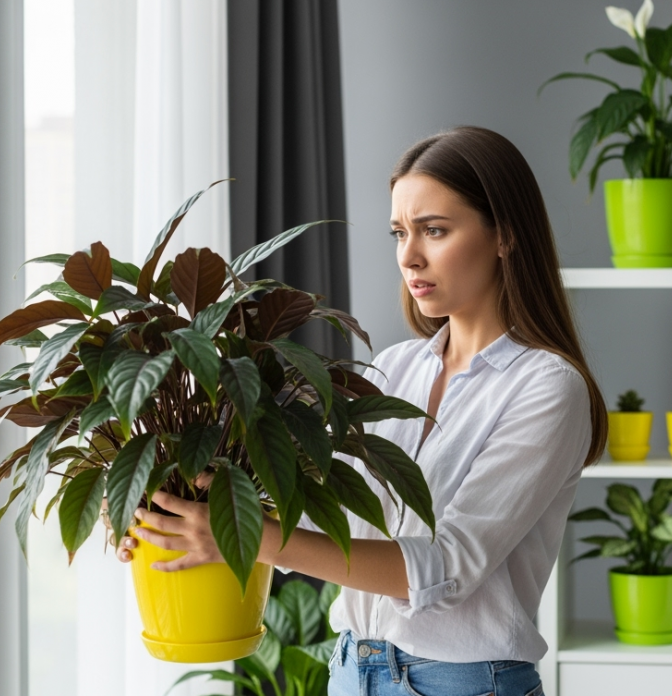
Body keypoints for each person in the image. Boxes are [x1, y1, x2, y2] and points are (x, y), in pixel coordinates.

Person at [116, 125, 608, 696]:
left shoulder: (546, 388)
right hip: (352, 671)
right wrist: (167, 512)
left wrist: (245, 538)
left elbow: (446, 568)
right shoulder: (396, 369)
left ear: (505, 236)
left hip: (464, 685)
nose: (409, 255)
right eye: (400, 232)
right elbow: (320, 516)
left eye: (435, 230)